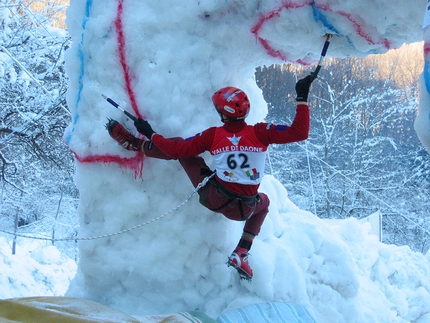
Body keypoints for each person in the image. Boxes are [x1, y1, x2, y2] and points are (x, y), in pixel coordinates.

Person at [106, 75, 313, 280]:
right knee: (264, 203)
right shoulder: (261, 132)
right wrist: (302, 96)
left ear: (223, 115)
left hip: (214, 197)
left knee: (183, 151)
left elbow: (176, 149)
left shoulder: (213, 136)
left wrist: (150, 133)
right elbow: (299, 132)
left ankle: (134, 144)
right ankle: (241, 251)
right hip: (245, 208)